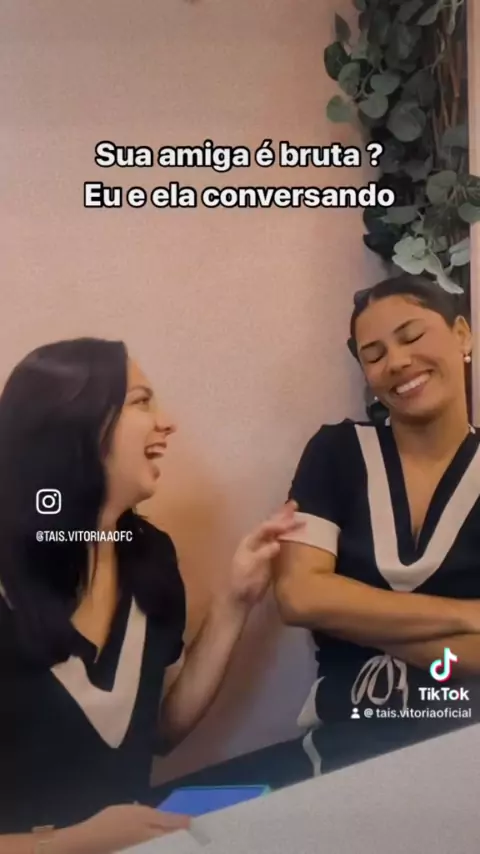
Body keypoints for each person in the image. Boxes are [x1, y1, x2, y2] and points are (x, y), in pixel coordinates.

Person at [0, 338, 301, 854]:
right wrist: (72, 843)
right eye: (141, 402)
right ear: (76, 421)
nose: (167, 424)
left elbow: (160, 729)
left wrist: (234, 602)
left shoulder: (150, 557)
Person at [274, 273, 480, 776]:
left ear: (462, 335)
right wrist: (467, 614)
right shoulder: (336, 452)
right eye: (374, 355)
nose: (398, 362)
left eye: (412, 336)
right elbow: (299, 595)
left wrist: (346, 612)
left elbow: (319, 600)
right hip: (346, 751)